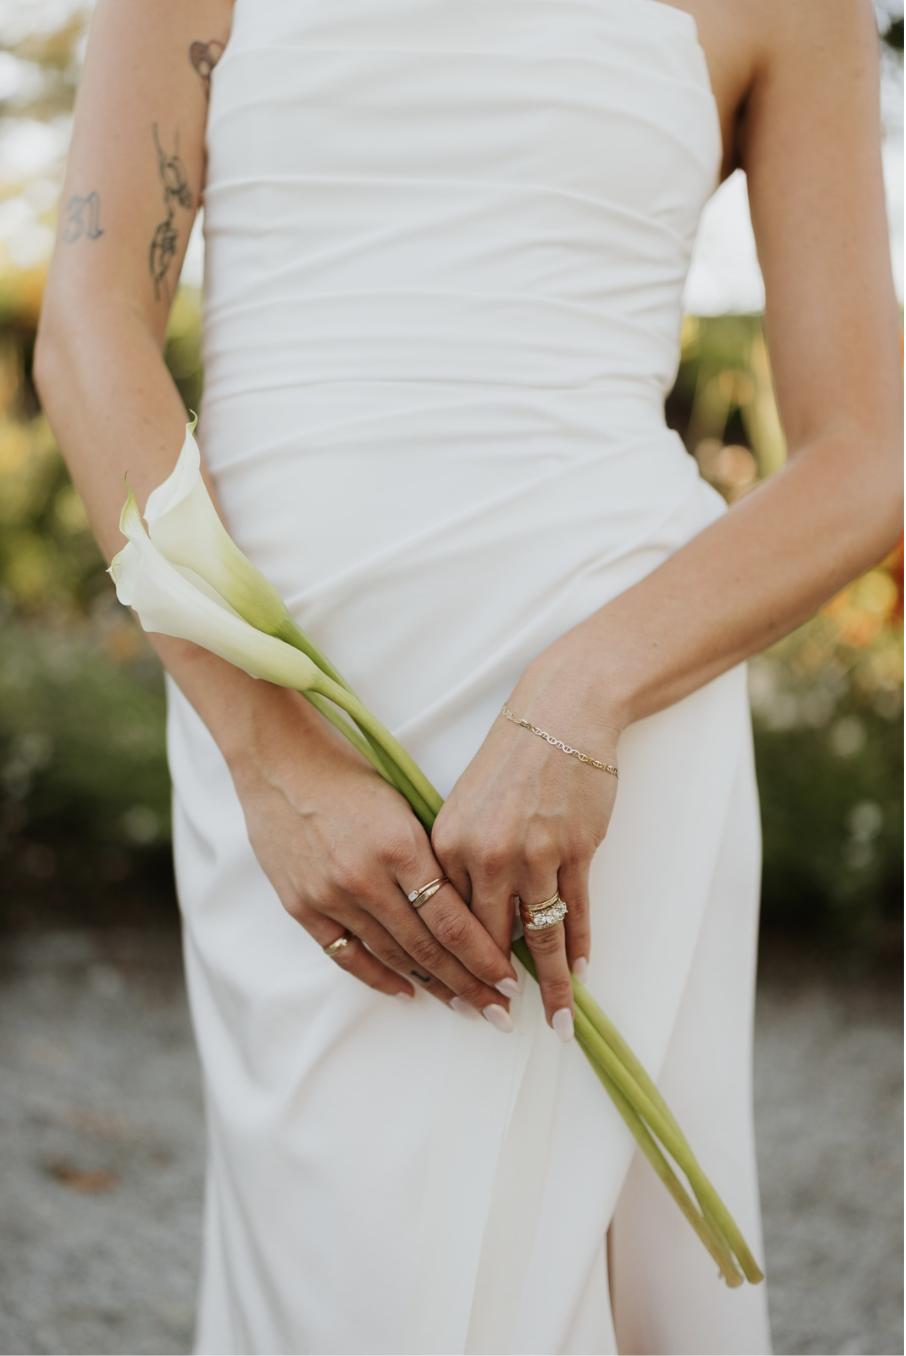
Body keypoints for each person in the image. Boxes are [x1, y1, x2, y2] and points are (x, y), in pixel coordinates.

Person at [35, 0, 901, 1351]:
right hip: (278, 696)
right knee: (347, 1274)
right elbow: (90, 336)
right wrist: (268, 756)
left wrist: (587, 692)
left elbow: (868, 451)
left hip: (616, 708)